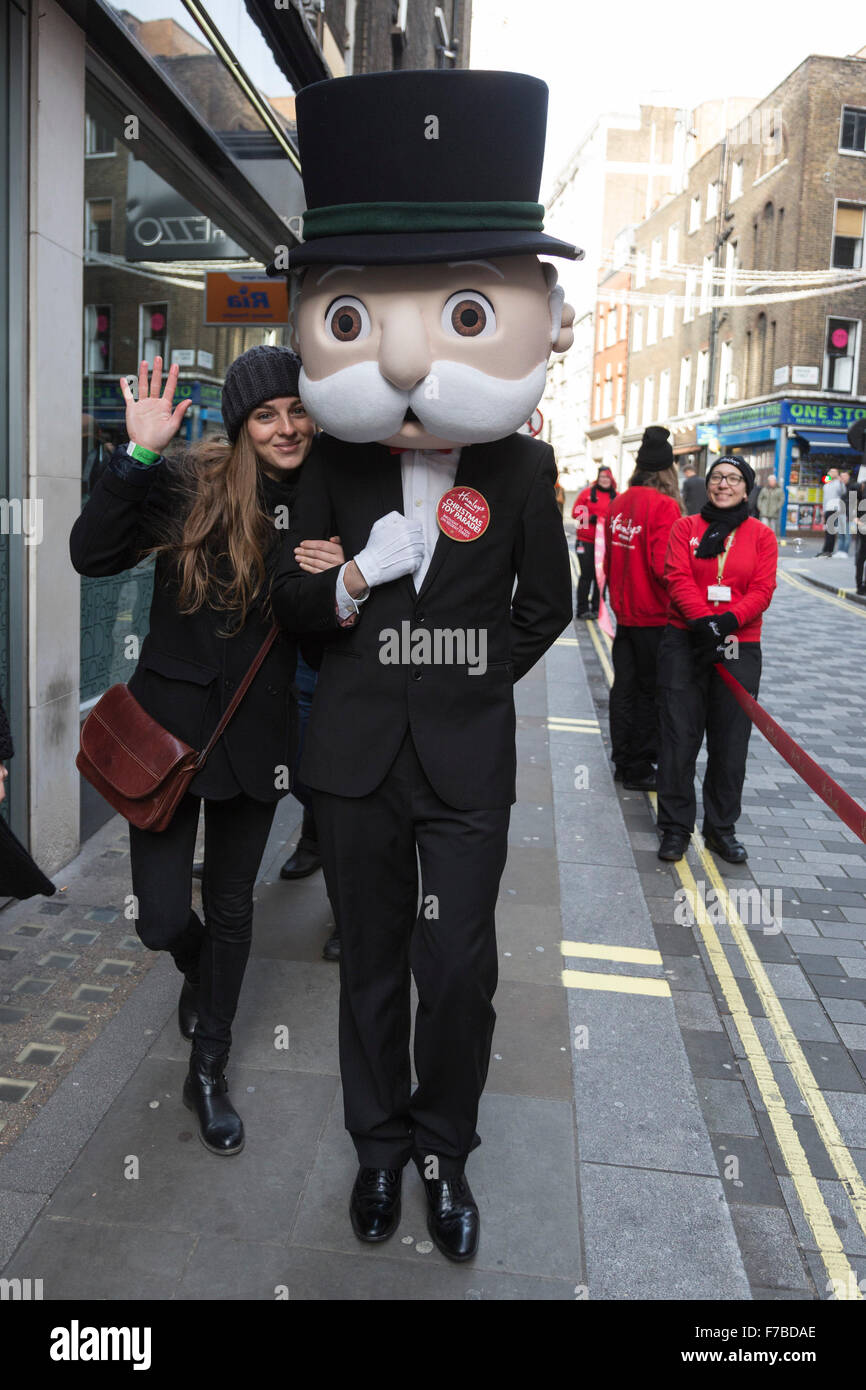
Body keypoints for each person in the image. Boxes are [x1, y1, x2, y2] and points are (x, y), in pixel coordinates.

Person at [268, 67, 576, 1262]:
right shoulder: (329, 463)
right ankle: (380, 1152)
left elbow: (546, 605)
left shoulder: (516, 469)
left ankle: (446, 1151)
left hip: (460, 763)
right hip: (348, 759)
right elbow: (295, 602)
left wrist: (463, 667)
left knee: (457, 971)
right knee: (370, 972)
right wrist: (353, 577)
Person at [69, 347, 348, 1158]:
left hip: (257, 743)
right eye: (267, 414)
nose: (286, 427)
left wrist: (345, 586)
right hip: (166, 735)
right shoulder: (190, 484)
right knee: (160, 919)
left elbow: (333, 638)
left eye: (297, 410)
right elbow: (92, 554)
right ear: (241, 423)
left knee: (232, 909)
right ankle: (195, 966)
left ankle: (209, 1068)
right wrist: (140, 453)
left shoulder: (335, 495)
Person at [655, 454, 777, 864]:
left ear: (747, 487)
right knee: (678, 739)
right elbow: (676, 577)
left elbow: (762, 590)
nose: (723, 484)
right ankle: (675, 828)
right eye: (717, 477)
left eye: (733, 478)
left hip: (739, 645)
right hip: (685, 641)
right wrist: (705, 623)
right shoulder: (684, 528)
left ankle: (721, 828)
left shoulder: (762, 535)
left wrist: (725, 622)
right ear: (707, 485)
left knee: (730, 744)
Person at [604, 426, 683, 790]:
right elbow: (662, 565)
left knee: (624, 688)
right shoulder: (665, 506)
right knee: (651, 693)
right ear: (667, 471)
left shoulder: (618, 502)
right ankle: (638, 765)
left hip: (625, 611)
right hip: (654, 614)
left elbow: (611, 561)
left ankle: (623, 760)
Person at [573, 465, 616, 618]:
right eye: (602, 477)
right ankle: (582, 609)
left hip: (605, 543)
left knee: (601, 576)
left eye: (607, 477)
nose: (604, 480)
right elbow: (576, 513)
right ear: (598, 479)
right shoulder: (587, 494)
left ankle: (597, 609)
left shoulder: (616, 496)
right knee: (586, 575)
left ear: (611, 479)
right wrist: (591, 518)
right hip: (586, 541)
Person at [818, 467, 843, 556]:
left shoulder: (838, 483)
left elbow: (842, 492)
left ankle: (829, 550)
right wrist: (823, 510)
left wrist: (840, 481)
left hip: (835, 509)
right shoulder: (826, 485)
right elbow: (825, 499)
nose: (832, 473)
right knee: (827, 529)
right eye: (831, 472)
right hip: (827, 509)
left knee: (831, 530)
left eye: (834, 472)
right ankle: (826, 549)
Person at [836, 468, 855, 557]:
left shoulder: (852, 487)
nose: (843, 478)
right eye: (841, 476)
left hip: (848, 513)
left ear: (848, 477)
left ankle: (845, 552)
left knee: (847, 534)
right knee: (840, 534)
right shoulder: (841, 487)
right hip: (840, 512)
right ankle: (840, 551)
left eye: (844, 476)